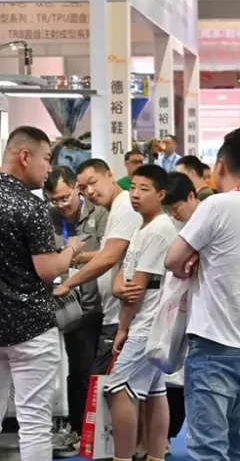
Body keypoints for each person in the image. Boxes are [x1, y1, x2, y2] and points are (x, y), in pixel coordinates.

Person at [165, 128, 240, 460]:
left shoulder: (216, 206)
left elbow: (172, 259)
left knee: (208, 449)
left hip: (213, 344)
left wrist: (193, 259)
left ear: (220, 166)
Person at [0, 126, 86, 461]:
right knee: (34, 423)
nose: (48, 168)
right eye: (46, 158)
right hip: (31, 328)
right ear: (25, 156)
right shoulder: (29, 205)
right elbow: (48, 269)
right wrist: (72, 248)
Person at [105, 164, 176, 461]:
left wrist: (122, 328)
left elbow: (136, 288)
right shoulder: (143, 228)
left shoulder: (159, 229)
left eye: (144, 189)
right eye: (133, 187)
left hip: (147, 323)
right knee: (155, 392)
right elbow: (125, 275)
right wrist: (119, 287)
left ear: (161, 195)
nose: (135, 194)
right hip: (151, 323)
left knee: (117, 388)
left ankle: (122, 457)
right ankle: (155, 457)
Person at [44, 166, 109, 455]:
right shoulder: (48, 218)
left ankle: (102, 432)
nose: (60, 205)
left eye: (64, 198)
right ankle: (77, 429)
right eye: (54, 200)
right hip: (68, 307)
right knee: (79, 369)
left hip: (102, 304)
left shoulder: (100, 213)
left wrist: (74, 256)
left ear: (76, 188)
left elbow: (111, 251)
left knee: (99, 371)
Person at [56, 159, 143, 376]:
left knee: (103, 385)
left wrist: (68, 284)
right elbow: (108, 253)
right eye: (84, 187)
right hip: (113, 314)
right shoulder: (115, 209)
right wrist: (78, 258)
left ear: (110, 175)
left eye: (93, 182)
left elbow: (108, 258)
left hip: (122, 317)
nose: (90, 192)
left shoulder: (125, 206)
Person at [160, 171, 201, 453]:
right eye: (170, 210)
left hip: (205, 313)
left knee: (196, 382)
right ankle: (166, 436)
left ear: (191, 196)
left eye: (177, 208)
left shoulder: (208, 221)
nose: (174, 214)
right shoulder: (171, 227)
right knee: (170, 374)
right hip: (176, 307)